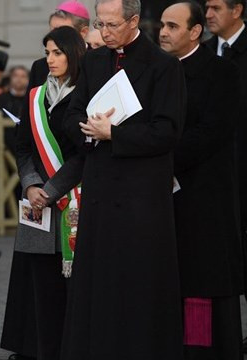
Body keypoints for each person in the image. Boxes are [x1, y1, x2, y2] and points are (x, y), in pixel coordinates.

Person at [60, 0, 186, 359]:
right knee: (98, 283)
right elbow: (71, 115)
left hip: (141, 195)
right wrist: (88, 130)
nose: (104, 32)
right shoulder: (95, 60)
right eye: (100, 23)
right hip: (100, 188)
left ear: (134, 21)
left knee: (137, 283)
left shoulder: (164, 66)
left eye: (112, 24)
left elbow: (168, 131)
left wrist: (114, 134)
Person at [0, 3, 90, 359]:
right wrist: (32, 185)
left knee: (71, 283)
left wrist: (52, 190)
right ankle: (39, 348)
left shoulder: (86, 94)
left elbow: (84, 155)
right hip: (38, 200)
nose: (50, 59)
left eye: (57, 53)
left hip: (73, 199)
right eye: (47, 52)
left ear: (73, 54)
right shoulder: (36, 96)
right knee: (39, 282)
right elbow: (22, 146)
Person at [160, 2, 243, 359]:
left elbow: (213, 132)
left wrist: (159, 157)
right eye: (162, 25)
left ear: (195, 32)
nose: (162, 32)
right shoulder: (156, 71)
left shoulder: (222, 72)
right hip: (162, 197)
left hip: (205, 195)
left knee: (201, 283)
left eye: (172, 26)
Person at [202, 2, 247, 349]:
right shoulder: (203, 53)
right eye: (206, 7)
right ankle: (212, 340)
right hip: (215, 176)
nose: (209, 13)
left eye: (216, 7)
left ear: (238, 10)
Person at [29, 0, 91, 89]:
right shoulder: (40, 67)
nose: (55, 36)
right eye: (53, 30)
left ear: (83, 32)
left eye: (63, 31)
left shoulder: (96, 63)